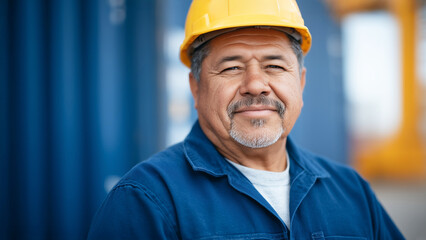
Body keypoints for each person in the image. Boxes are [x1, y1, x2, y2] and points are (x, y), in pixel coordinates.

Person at [88, 0, 405, 239]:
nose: (256, 84)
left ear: (301, 83)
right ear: (196, 88)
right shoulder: (146, 203)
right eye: (231, 67)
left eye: (275, 66)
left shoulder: (351, 192)